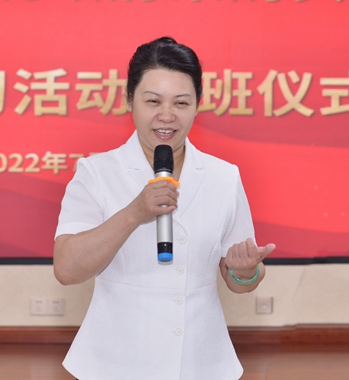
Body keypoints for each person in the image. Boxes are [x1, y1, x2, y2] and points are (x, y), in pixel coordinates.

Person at [53, 36, 276, 380]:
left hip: (202, 361)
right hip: (115, 361)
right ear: (129, 99)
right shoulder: (96, 173)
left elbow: (241, 281)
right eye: (153, 101)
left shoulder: (223, 176)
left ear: (198, 104)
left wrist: (244, 271)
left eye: (181, 103)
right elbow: (67, 269)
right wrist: (134, 213)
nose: (167, 116)